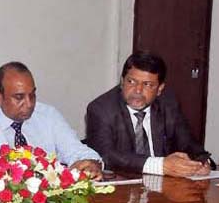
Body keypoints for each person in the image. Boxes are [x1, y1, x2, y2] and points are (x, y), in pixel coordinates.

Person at [85, 51, 213, 177]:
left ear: (160, 89)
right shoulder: (101, 109)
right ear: (122, 81)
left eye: (147, 84)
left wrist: (200, 162)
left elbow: (187, 142)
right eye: (131, 81)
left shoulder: (168, 104)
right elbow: (105, 155)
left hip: (164, 186)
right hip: (121, 185)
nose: (138, 90)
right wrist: (160, 165)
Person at [0, 62, 103, 180]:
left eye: (32, 95)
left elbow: (76, 150)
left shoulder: (48, 115)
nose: (29, 104)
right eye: (19, 97)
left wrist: (90, 164)